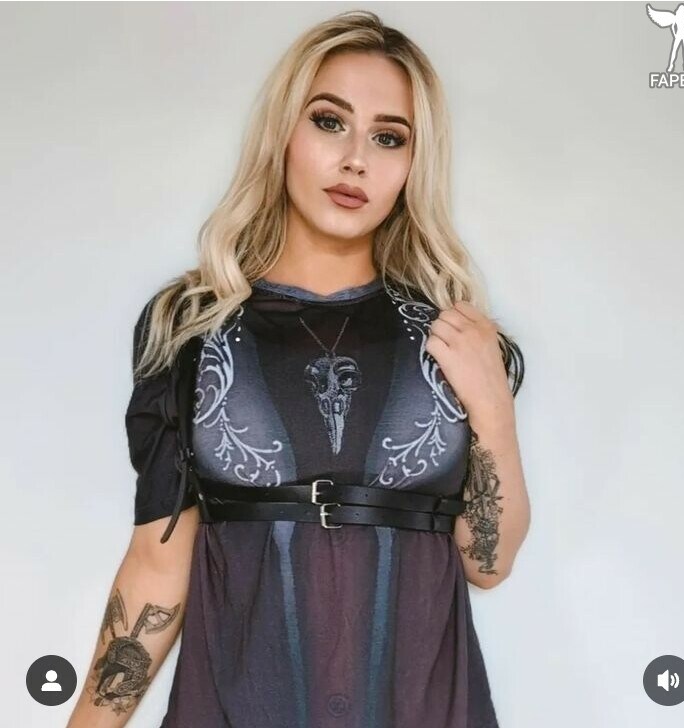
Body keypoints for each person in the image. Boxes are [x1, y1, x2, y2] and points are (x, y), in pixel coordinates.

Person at [66, 10, 530, 728]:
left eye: (388, 137)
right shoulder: (191, 327)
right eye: (328, 122)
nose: (355, 160)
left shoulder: (453, 338)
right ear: (283, 132)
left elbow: (487, 564)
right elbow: (158, 565)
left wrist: (493, 408)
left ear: (414, 165)